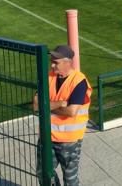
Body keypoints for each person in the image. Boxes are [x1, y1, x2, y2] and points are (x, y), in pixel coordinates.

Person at [34, 45, 91, 186]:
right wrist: (60, 103)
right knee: (43, 174)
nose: (52, 65)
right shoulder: (48, 76)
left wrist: (46, 107)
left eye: (56, 62)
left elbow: (72, 111)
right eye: (51, 61)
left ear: (68, 62)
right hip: (47, 137)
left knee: (70, 180)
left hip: (69, 141)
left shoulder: (79, 81)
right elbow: (35, 106)